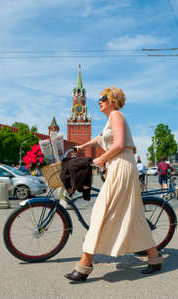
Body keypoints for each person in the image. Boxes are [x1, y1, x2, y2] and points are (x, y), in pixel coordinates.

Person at [65, 87, 162, 282]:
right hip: (117, 165)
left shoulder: (117, 115)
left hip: (122, 165)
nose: (99, 101)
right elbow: (100, 139)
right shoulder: (110, 120)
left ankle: (84, 265)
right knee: (131, 214)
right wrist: (82, 146)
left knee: (102, 211)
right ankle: (154, 257)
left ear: (111, 100)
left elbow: (118, 144)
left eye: (102, 98)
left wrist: (101, 158)